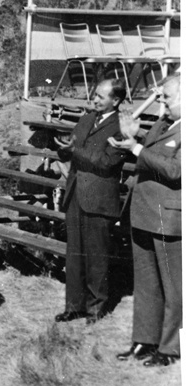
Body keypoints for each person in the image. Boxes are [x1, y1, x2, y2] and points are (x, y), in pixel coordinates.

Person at [109, 74, 181, 367]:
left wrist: (137, 148)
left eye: (167, 98)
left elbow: (176, 171)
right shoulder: (163, 126)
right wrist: (134, 137)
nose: (161, 103)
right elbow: (146, 158)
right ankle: (144, 341)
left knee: (174, 288)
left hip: (169, 219)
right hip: (144, 213)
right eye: (161, 97)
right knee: (147, 284)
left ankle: (171, 348)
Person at [53, 78, 127, 325]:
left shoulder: (121, 127)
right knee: (74, 253)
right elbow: (72, 149)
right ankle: (74, 306)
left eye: (101, 97)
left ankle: (96, 308)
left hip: (99, 199)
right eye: (95, 94)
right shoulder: (86, 119)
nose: (94, 99)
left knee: (97, 256)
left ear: (115, 101)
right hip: (75, 194)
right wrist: (63, 149)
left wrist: (75, 151)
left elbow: (107, 162)